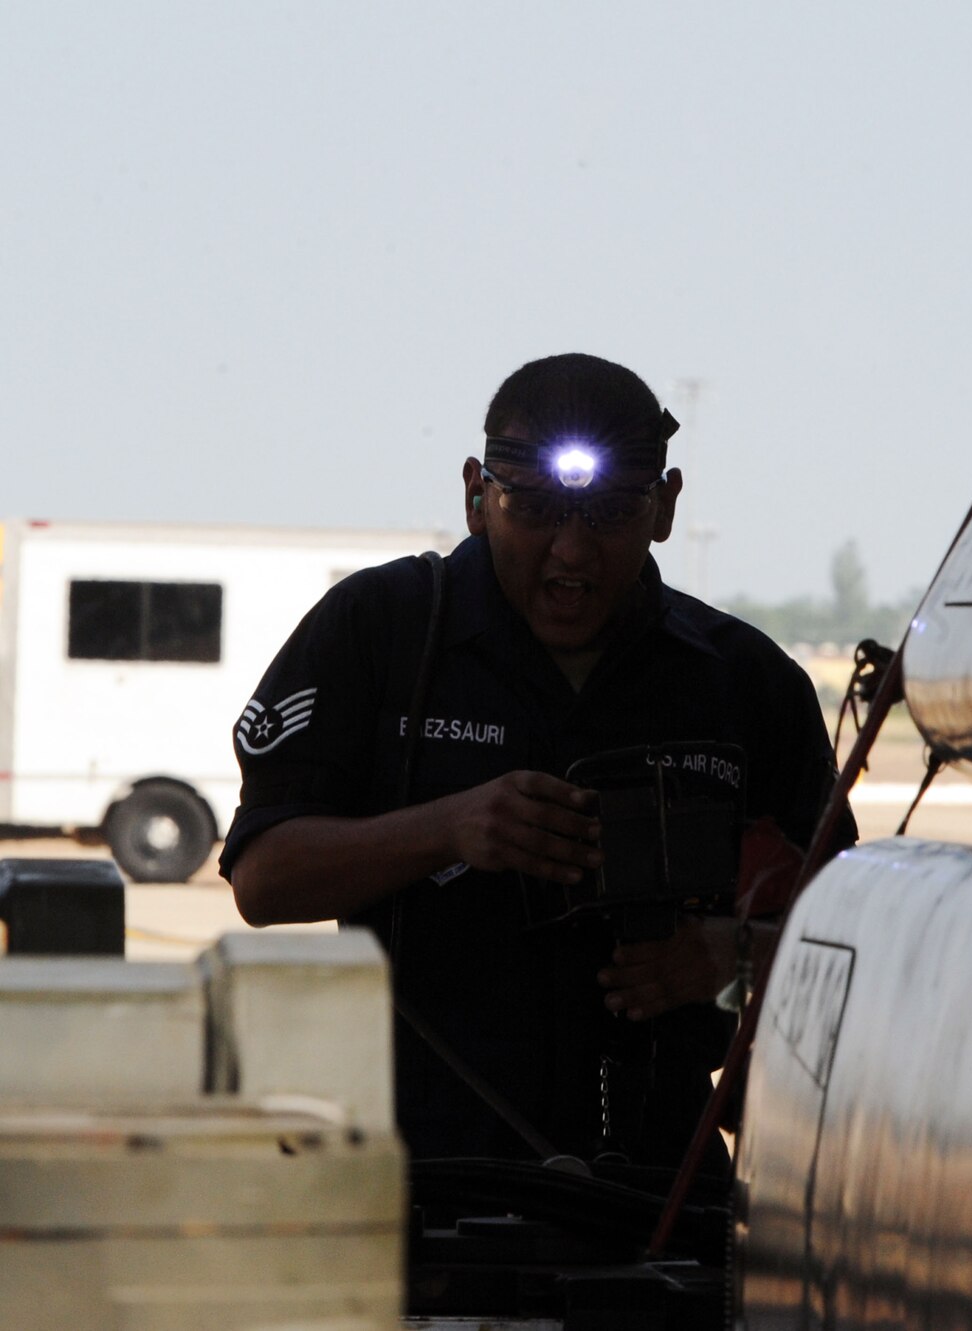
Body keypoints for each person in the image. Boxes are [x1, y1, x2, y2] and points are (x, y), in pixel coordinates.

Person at [222, 352, 852, 1166]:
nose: (571, 552)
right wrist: (448, 829)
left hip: (658, 1197)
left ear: (665, 508)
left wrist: (733, 953)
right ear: (477, 496)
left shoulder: (744, 681)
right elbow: (263, 879)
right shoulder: (379, 632)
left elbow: (847, 937)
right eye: (537, 509)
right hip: (417, 1185)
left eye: (611, 514)